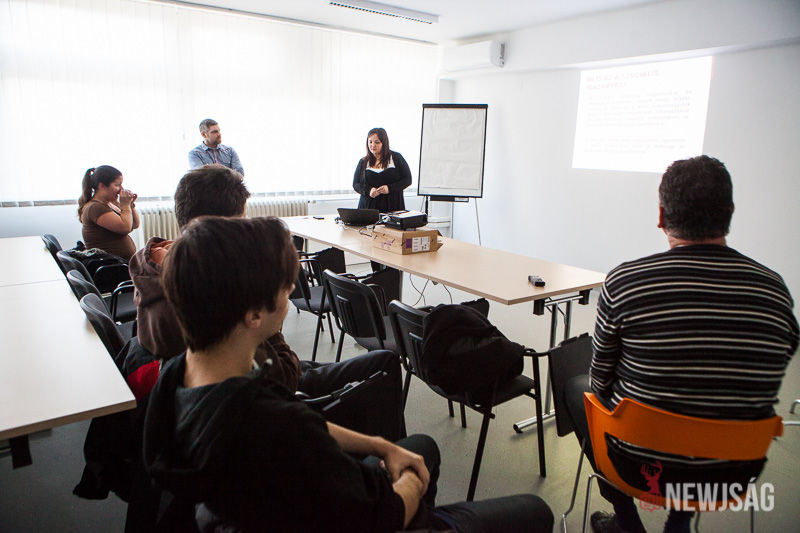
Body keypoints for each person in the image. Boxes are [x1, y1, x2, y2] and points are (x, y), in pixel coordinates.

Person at [144, 215, 554, 533]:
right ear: (253, 315)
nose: (291, 295)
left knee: (421, 445)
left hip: (267, 507)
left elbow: (295, 418)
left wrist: (378, 444)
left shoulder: (181, 378)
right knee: (534, 511)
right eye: (285, 290)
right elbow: (385, 514)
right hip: (361, 517)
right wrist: (412, 481)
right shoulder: (276, 430)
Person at [564, 155, 799, 533]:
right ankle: (679, 522)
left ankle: (626, 523)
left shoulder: (625, 282)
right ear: (730, 213)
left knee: (578, 389)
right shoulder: (774, 290)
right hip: (734, 470)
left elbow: (601, 382)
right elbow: (776, 364)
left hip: (638, 465)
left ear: (661, 216)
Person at [129, 164, 405, 441]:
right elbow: (284, 378)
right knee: (384, 363)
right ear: (218, 227)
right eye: (242, 220)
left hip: (247, 387)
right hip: (276, 393)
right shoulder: (215, 290)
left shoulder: (156, 267)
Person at [78, 165, 140, 260]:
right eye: (117, 185)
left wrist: (130, 204)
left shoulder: (112, 203)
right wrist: (125, 206)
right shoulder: (95, 208)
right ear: (102, 186)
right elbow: (125, 227)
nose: (122, 189)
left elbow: (135, 224)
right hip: (111, 264)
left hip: (123, 262)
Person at [353, 127, 412, 212]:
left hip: (393, 207)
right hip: (368, 208)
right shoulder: (363, 162)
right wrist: (369, 190)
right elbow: (356, 184)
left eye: (377, 142)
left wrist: (389, 188)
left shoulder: (396, 158)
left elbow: (408, 180)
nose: (373, 145)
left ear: (384, 143)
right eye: (370, 142)